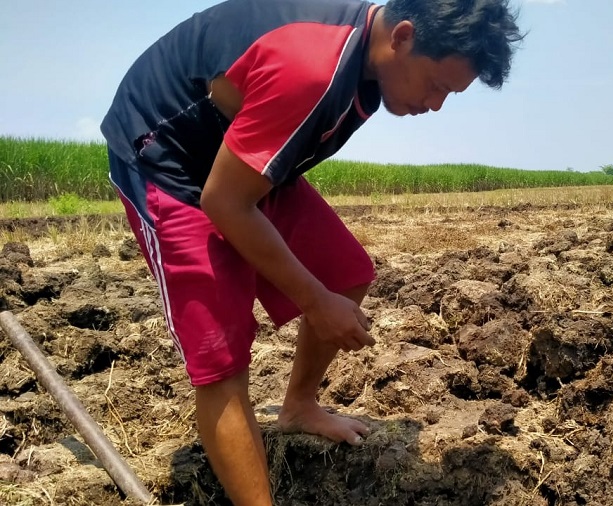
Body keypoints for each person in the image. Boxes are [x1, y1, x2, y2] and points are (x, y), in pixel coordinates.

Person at [100, 0, 523, 503]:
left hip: (237, 155)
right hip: (168, 158)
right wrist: (314, 301)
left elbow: (252, 174)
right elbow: (224, 201)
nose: (435, 105)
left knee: (345, 272)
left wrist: (322, 290)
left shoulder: (370, 68)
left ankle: (299, 406)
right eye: (436, 86)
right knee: (221, 357)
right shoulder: (310, 67)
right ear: (403, 36)